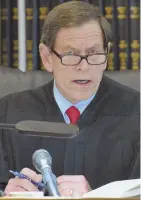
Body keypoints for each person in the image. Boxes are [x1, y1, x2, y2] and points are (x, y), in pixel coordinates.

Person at [0, 1, 139, 197]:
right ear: (47, 57)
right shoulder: (8, 113)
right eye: (71, 54)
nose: (83, 67)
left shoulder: (136, 113)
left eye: (93, 53)